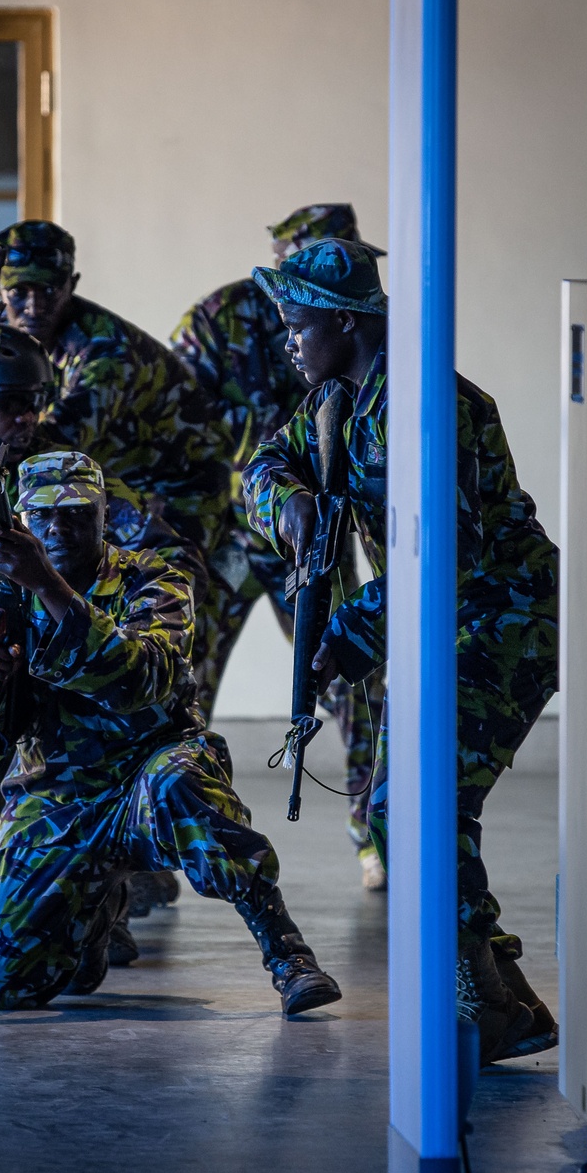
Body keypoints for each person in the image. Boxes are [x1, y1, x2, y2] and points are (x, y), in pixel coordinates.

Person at [242, 238, 559, 1064]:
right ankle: (505, 1004)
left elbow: (445, 555)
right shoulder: (339, 399)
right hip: (440, 622)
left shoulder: (426, 407)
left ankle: (483, 1003)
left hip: (506, 618)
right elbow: (264, 463)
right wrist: (294, 502)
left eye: (298, 326)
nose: (289, 343)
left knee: (413, 803)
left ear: (346, 322)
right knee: (405, 804)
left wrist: (344, 637)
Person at [0, 450, 342, 1016]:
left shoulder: (153, 578)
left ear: (104, 515)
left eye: (78, 513)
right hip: (60, 796)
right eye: (46, 516)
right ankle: (94, 911)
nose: (61, 527)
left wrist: (48, 584)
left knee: (183, 784)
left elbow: (142, 678)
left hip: (148, 773)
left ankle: (287, 954)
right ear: (22, 521)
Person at [0, 326, 195, 958]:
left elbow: (167, 554)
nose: (26, 417)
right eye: (7, 403)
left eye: (34, 401)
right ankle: (7, 877)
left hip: (67, 689)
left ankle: (104, 870)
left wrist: (121, 629)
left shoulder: (60, 477)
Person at [170, 205, 386, 890]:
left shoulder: (365, 360)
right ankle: (164, 842)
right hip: (230, 536)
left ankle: (373, 830)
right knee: (182, 674)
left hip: (315, 539)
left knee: (352, 677)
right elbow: (172, 419)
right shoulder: (217, 320)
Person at [0, 220, 232, 565]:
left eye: (48, 290)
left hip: (180, 488)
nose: (34, 305)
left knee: (167, 588)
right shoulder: (3, 343)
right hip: (107, 484)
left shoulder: (106, 352)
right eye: (19, 291)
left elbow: (50, 446)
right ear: (0, 291)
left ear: (71, 285)